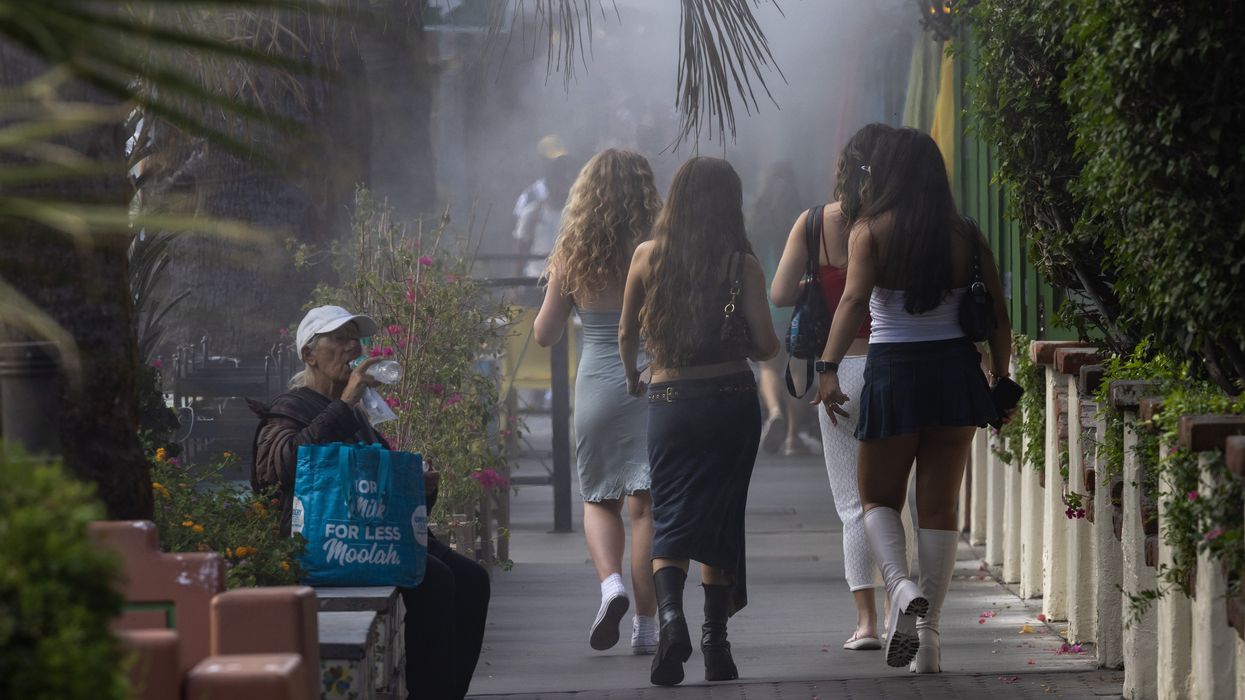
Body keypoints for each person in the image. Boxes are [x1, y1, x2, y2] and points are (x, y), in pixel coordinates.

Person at [813, 127, 1012, 673]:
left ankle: (900, 589)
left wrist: (827, 369)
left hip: (894, 372)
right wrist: (1002, 376)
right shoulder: (965, 233)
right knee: (940, 505)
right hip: (954, 374)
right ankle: (929, 640)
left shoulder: (869, 231)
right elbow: (996, 313)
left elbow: (854, 302)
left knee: (876, 497)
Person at [251, 305, 491, 699]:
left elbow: (387, 500)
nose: (351, 347)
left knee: (472, 580)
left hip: (376, 539)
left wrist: (421, 488)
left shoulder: (361, 415)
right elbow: (277, 473)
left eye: (355, 338)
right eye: (339, 338)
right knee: (437, 582)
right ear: (309, 354)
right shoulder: (290, 408)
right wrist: (343, 404)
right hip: (333, 544)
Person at [620, 157, 781, 686]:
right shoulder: (743, 265)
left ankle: (671, 624)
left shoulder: (647, 257)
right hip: (732, 401)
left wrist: (631, 378)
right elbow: (765, 345)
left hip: (670, 402)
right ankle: (718, 648)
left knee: (669, 513)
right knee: (721, 516)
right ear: (729, 205)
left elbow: (625, 335)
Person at [533, 149, 663, 655]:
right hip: (652, 380)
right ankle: (648, 629)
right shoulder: (658, 247)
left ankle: (611, 587)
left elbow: (544, 334)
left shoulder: (573, 250)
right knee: (645, 508)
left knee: (598, 500)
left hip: (597, 386)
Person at [770, 124, 893, 652]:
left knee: (850, 502)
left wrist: (813, 278)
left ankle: (864, 623)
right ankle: (898, 607)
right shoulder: (896, 225)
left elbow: (778, 293)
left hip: (836, 372)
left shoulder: (814, 223)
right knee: (890, 500)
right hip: (892, 369)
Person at [747, 161, 815, 456]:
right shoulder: (803, 219)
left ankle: (774, 411)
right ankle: (791, 435)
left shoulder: (757, 220)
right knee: (798, 367)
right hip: (798, 302)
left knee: (768, 366)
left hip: (766, 302)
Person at [513, 135, 576, 280]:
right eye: (554, 164)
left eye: (561, 163)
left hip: (564, 279)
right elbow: (521, 241)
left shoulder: (574, 198)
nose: (559, 169)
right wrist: (516, 282)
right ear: (543, 164)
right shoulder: (530, 196)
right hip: (536, 278)